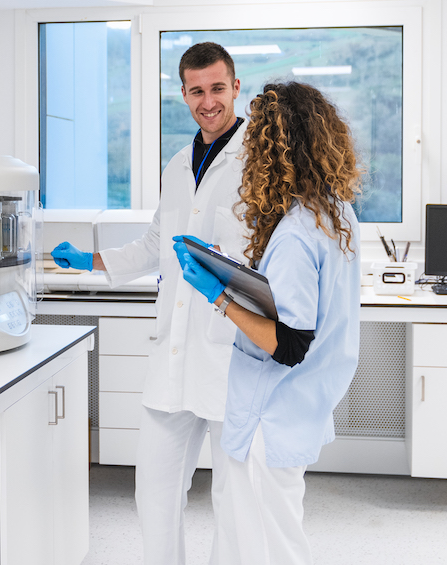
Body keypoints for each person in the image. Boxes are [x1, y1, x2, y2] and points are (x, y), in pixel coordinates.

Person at [51, 42, 247, 564]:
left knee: (235, 500)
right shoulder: (180, 164)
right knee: (154, 492)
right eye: (197, 90)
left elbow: (264, 254)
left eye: (218, 88)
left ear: (235, 87)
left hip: (233, 354)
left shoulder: (259, 160)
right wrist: (90, 261)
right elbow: (156, 246)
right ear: (183, 94)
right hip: (176, 355)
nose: (209, 101)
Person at [172, 81, 363, 565]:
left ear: (276, 149)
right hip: (298, 407)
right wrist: (237, 274)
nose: (250, 149)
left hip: (268, 417)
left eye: (256, 139)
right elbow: (298, 304)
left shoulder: (298, 233)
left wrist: (219, 296)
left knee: (270, 547)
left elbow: (291, 343)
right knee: (254, 539)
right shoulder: (335, 213)